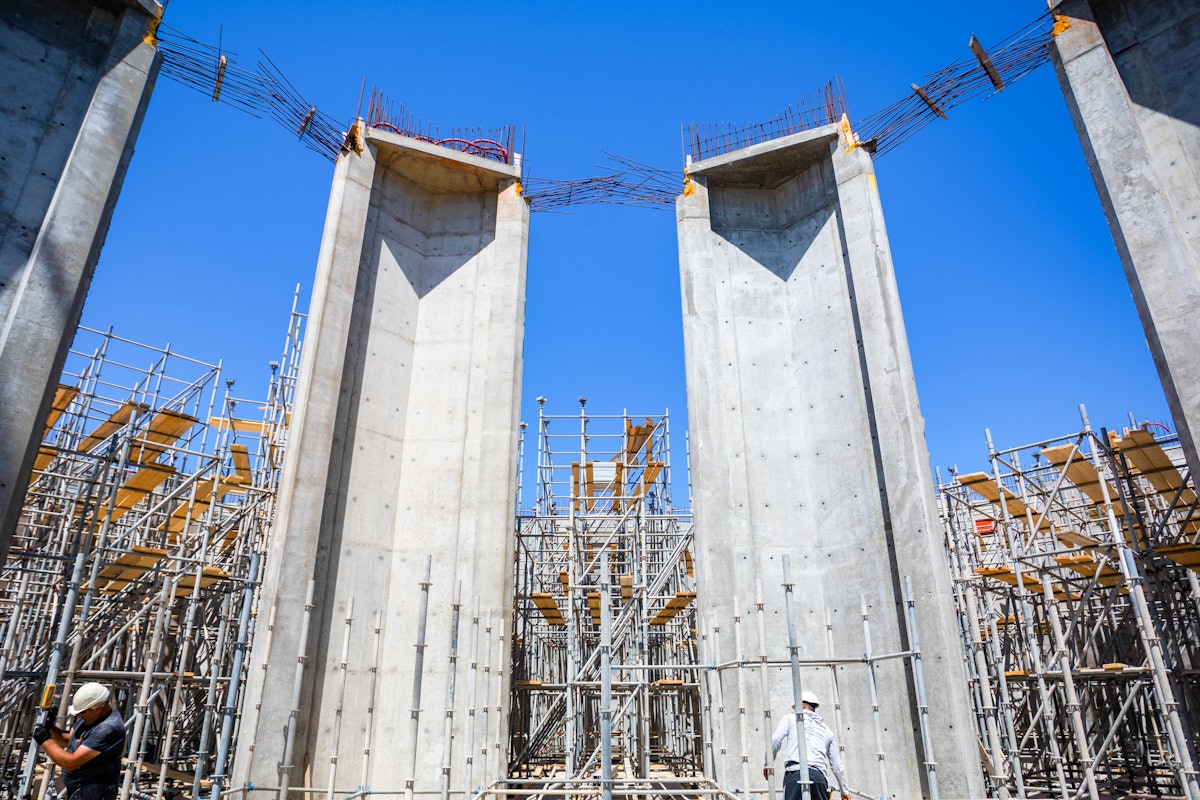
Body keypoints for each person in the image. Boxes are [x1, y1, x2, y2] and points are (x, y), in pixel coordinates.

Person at [32, 682, 126, 800]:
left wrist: (46, 741)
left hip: (95, 791)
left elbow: (71, 763)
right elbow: (68, 739)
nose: (79, 716)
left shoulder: (106, 729)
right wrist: (50, 728)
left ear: (98, 709)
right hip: (81, 788)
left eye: (82, 712)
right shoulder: (90, 716)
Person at [764, 690, 850, 800]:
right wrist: (844, 791)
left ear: (802, 706)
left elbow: (775, 740)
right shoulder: (826, 730)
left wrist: (767, 764)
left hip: (796, 774)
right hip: (819, 779)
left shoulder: (790, 718)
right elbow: (837, 766)